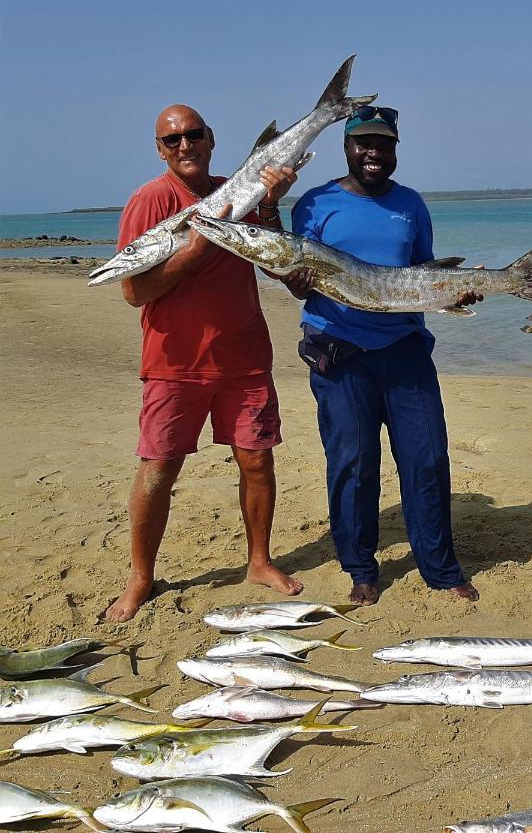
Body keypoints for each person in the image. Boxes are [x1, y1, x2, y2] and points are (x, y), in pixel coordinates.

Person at [105, 104, 302, 623]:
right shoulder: (150, 200)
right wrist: (196, 246)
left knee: (257, 462)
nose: (185, 146)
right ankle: (141, 576)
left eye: (194, 135)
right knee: (158, 471)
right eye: (173, 141)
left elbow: (275, 258)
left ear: (211, 139)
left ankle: (259, 561)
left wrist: (273, 202)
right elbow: (133, 290)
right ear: (159, 149)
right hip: (174, 364)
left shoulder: (240, 190)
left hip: (244, 356)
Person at [287, 106, 479, 606]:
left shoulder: (410, 205)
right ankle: (360, 568)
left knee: (427, 458)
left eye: (384, 144)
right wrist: (293, 281)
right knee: (353, 462)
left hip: (405, 350)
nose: (374, 153)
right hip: (338, 352)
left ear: (396, 149)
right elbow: (297, 278)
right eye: (363, 143)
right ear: (347, 147)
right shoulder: (313, 204)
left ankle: (439, 567)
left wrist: (450, 293)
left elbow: (421, 274)